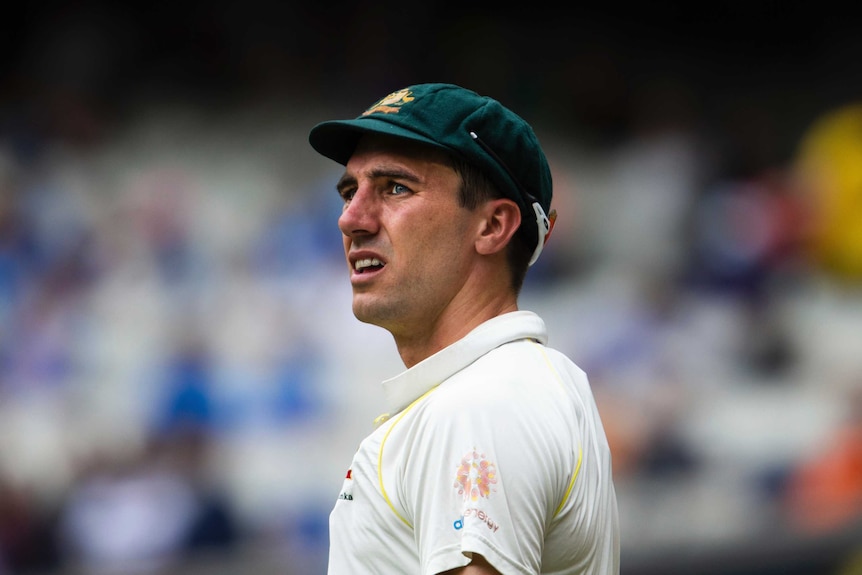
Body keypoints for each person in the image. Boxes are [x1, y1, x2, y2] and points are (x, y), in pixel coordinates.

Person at [308, 83, 620, 574]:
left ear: (494, 226)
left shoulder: (477, 405)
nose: (352, 218)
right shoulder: (514, 385)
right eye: (350, 191)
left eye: (395, 187)